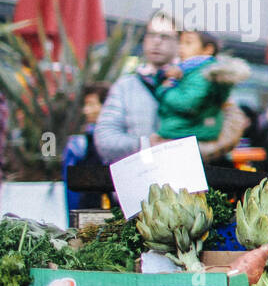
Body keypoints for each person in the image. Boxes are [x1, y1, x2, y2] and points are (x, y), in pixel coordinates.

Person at [95, 14, 249, 165]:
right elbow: (105, 140)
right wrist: (147, 144)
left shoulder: (204, 79)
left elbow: (233, 126)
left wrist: (184, 150)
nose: (156, 42)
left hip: (189, 180)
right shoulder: (126, 85)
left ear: (180, 42)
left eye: (165, 36)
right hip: (140, 179)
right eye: (151, 35)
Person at [153, 29, 249, 143]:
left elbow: (188, 103)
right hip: (189, 133)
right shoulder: (189, 71)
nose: (181, 47)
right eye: (181, 43)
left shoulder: (202, 73)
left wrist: (165, 90)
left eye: (188, 43)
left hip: (187, 134)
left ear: (208, 49)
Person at [62, 83, 109, 212]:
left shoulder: (117, 142)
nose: (86, 110)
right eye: (86, 104)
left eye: (92, 104)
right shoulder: (81, 143)